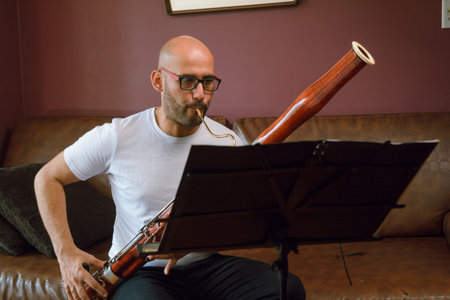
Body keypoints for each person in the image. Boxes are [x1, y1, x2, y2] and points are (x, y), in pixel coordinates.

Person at [34, 35, 306, 300]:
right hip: (140, 272)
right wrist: (65, 252)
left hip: (207, 266)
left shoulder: (228, 142)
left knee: (287, 288)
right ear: (158, 81)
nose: (200, 95)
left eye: (208, 82)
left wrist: (195, 241)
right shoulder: (117, 136)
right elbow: (47, 177)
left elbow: (240, 219)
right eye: (187, 81)